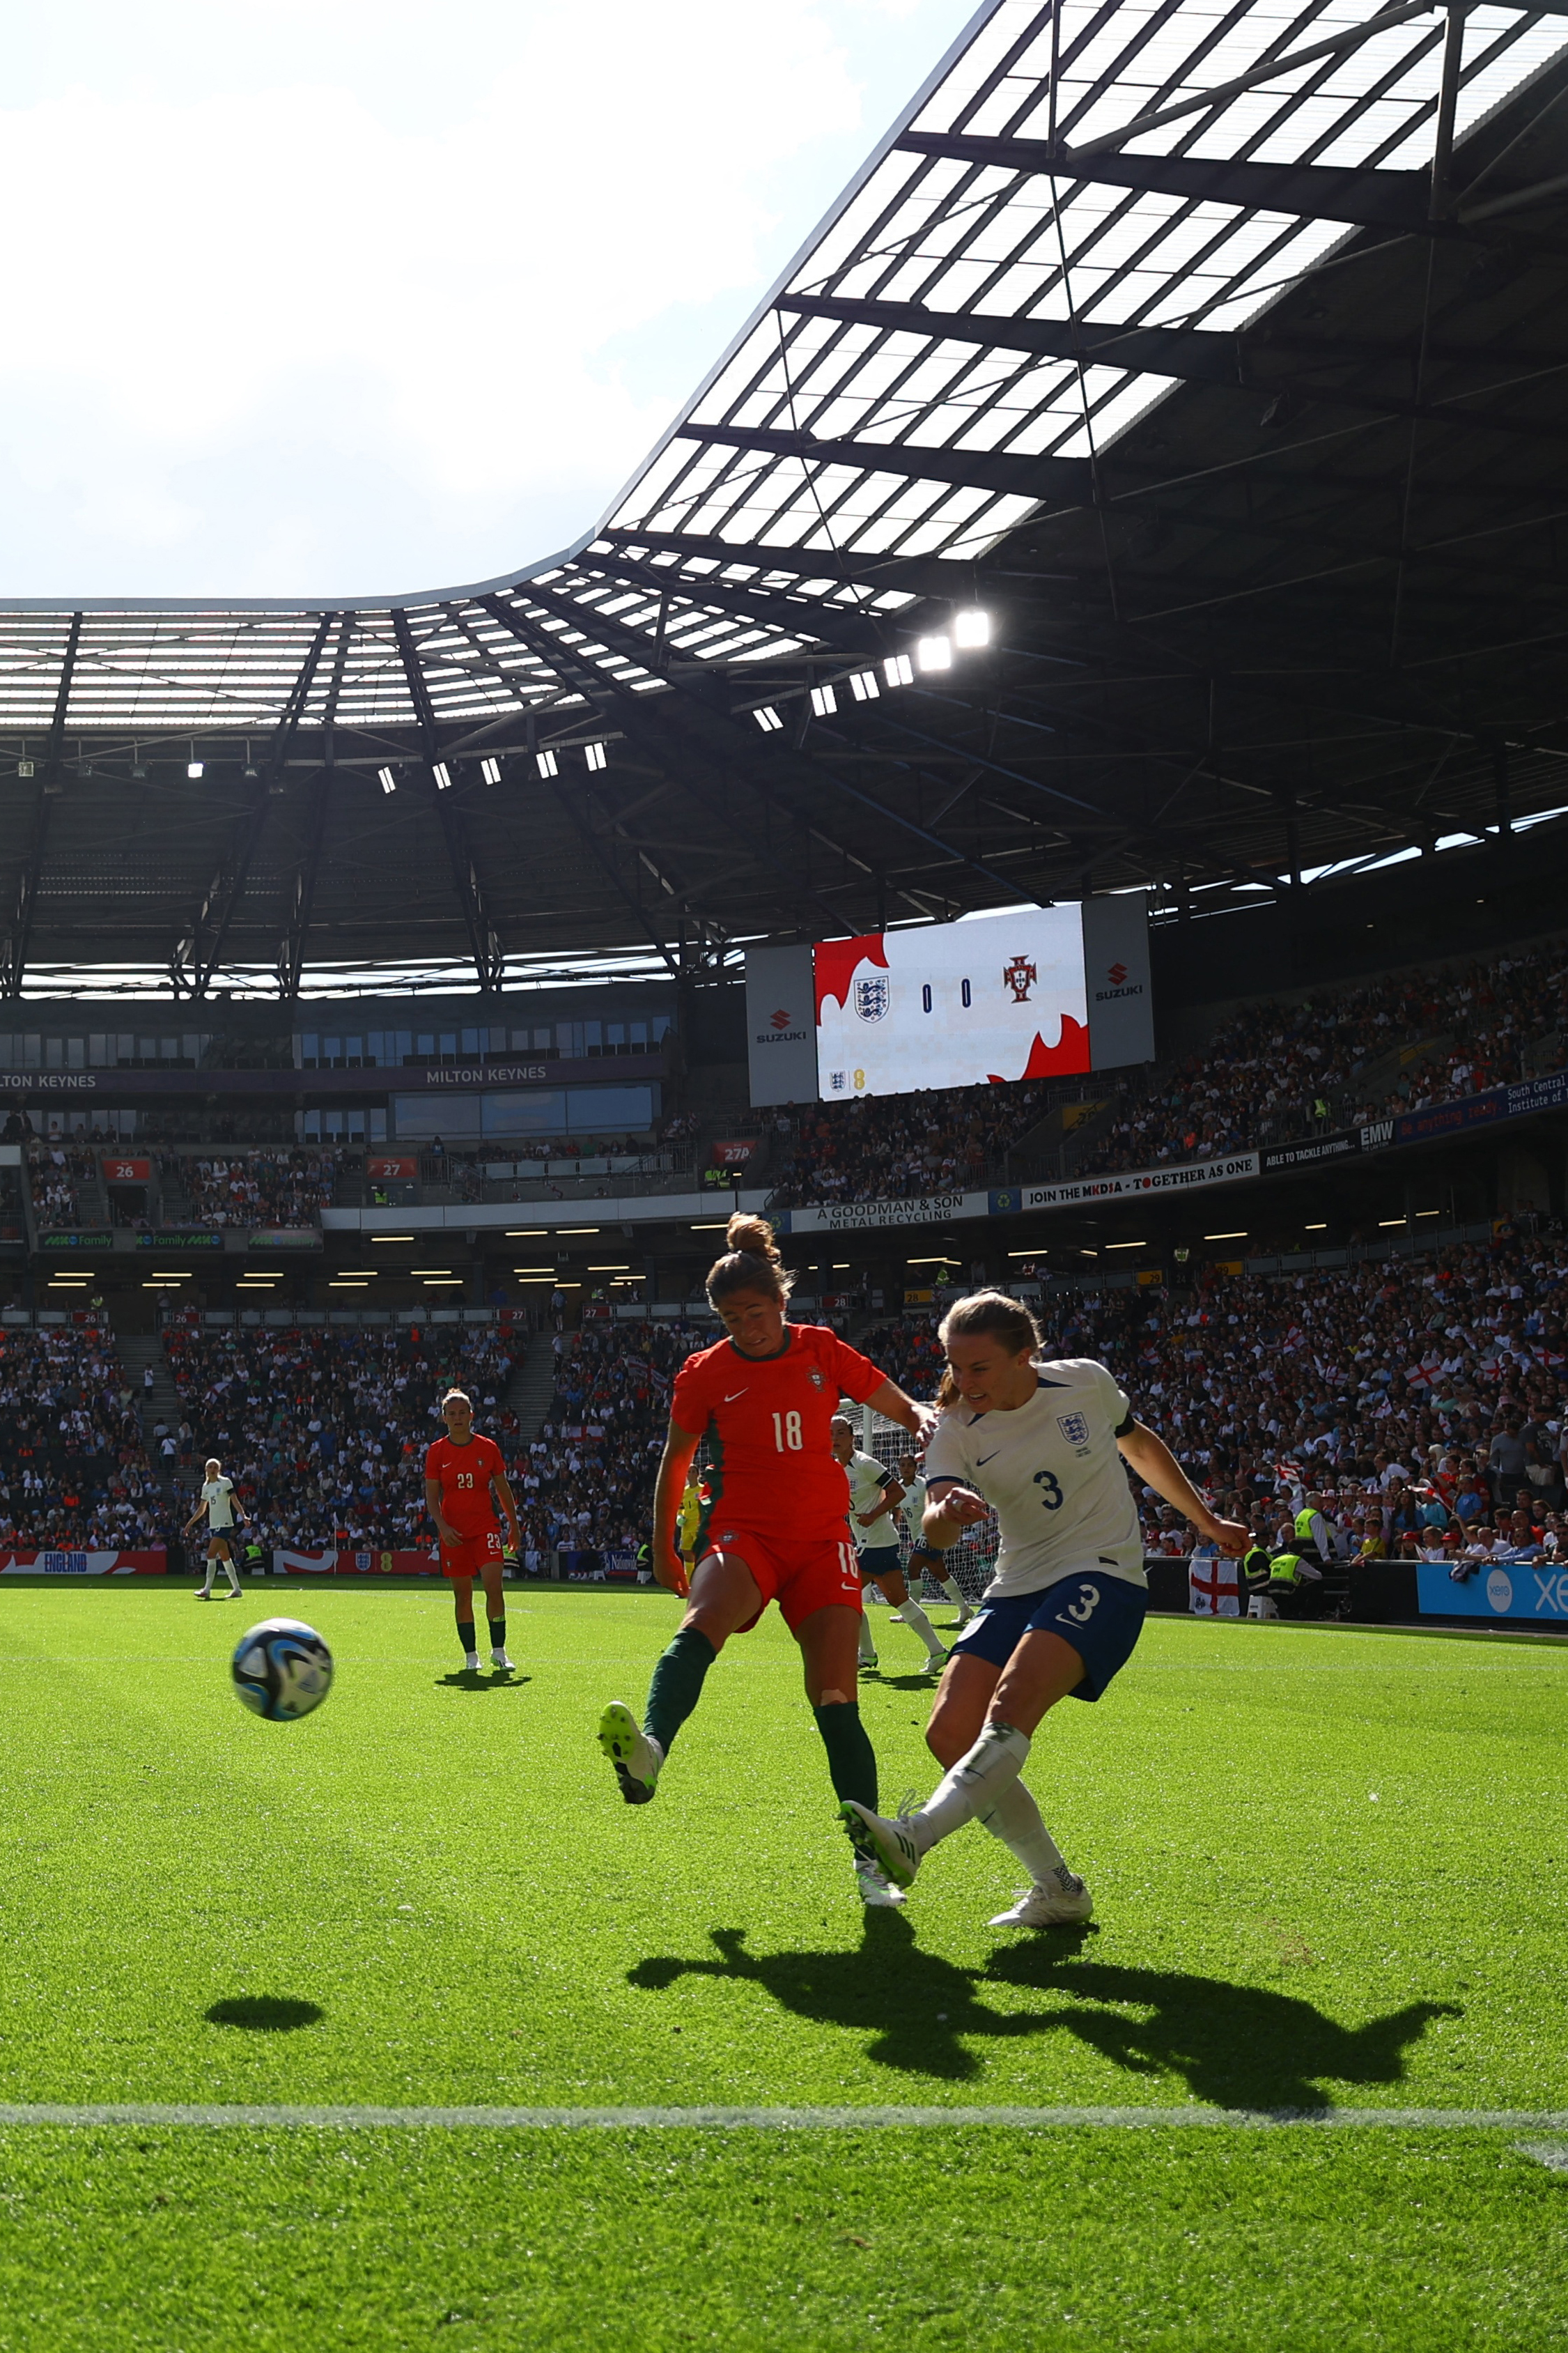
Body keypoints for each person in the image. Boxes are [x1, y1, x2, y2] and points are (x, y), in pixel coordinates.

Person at [838, 1291, 1248, 1928]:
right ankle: (1057, 1888)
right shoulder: (955, 1427)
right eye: (954, 1365)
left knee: (1012, 1703)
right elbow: (936, 1523)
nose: (962, 1381)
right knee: (947, 1732)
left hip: (1103, 1571)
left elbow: (1138, 1448)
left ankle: (913, 1837)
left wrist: (1206, 1520)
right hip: (1016, 1582)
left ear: (1025, 1355)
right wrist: (944, 1515)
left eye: (978, 1368)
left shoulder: (1084, 1382)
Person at [594, 1212, 932, 1908]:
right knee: (701, 1622)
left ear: (781, 1301)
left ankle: (870, 1866)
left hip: (822, 1543)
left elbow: (893, 1401)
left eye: (753, 1310)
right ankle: (651, 1749)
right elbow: (674, 1457)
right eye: (728, 1315)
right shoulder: (705, 1371)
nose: (743, 1325)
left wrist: (927, 1423)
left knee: (837, 1697)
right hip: (745, 1533)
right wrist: (663, 1544)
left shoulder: (821, 1348)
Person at [831, 1418, 946, 1677]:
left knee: (844, 1596)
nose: (835, 1438)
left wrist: (873, 1514)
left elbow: (897, 1492)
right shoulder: (835, 1467)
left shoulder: (865, 1464)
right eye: (830, 1434)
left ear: (852, 1437)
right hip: (874, 1542)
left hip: (875, 1542)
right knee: (899, 1600)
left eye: (841, 1433)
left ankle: (867, 1655)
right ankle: (937, 1650)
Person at [424, 1387, 522, 1673]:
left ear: (471, 1415)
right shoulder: (436, 1452)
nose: (457, 1418)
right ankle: (471, 1656)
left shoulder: (488, 1448)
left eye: (462, 1413)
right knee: (463, 1595)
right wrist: (442, 1527)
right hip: (454, 1533)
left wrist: (513, 1526)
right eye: (452, 1413)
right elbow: (432, 1496)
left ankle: (500, 1652)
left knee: (494, 1586)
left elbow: (503, 1490)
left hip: (485, 1529)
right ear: (444, 1418)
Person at [897, 1449, 974, 1629]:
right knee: (940, 1572)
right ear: (898, 1468)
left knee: (913, 1567)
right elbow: (897, 1511)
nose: (906, 1468)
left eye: (910, 1465)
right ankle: (965, 1609)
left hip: (930, 1532)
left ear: (916, 1468)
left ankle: (912, 1613)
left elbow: (938, 1503)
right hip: (918, 1536)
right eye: (902, 1465)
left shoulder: (923, 1485)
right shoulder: (898, 1488)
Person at [184, 1456, 248, 1600]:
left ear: (219, 1470)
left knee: (210, 1555)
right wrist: (190, 1523)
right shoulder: (206, 1487)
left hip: (224, 1523)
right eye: (210, 1467)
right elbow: (202, 1509)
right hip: (214, 1525)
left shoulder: (225, 1482)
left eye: (215, 1467)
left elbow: (235, 1500)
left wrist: (243, 1516)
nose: (212, 1470)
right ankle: (237, 1589)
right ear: (206, 1469)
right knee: (225, 1557)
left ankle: (206, 1589)